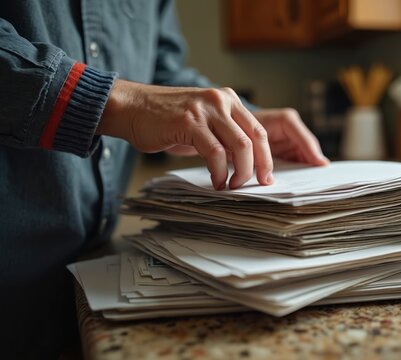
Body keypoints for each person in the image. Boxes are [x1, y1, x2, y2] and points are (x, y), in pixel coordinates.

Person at [0, 1, 328, 358]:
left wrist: (246, 122)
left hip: (92, 280)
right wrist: (119, 102)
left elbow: (163, 75)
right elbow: (145, 98)